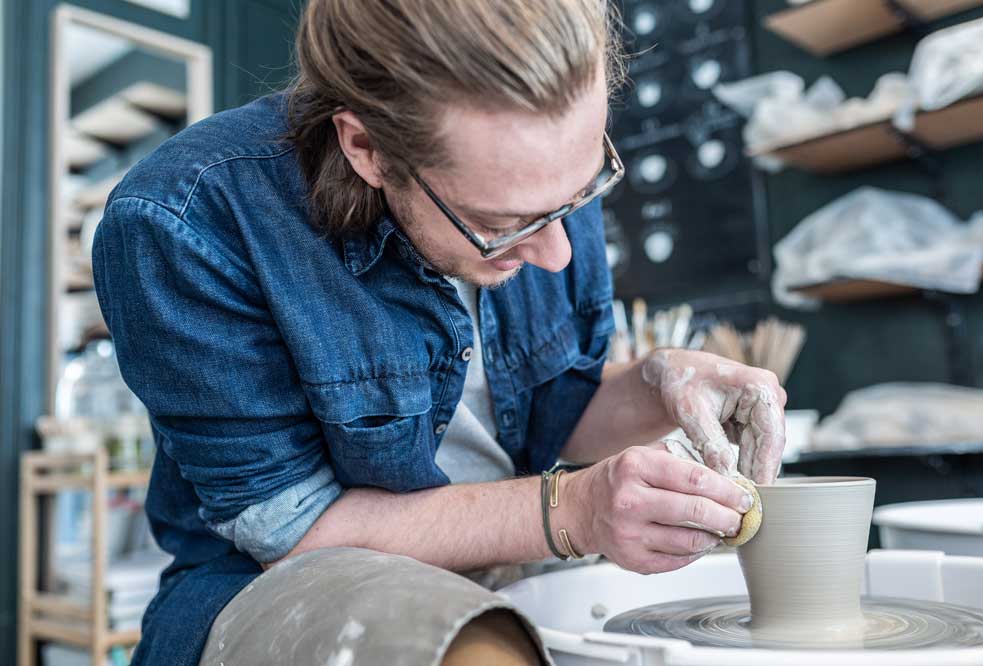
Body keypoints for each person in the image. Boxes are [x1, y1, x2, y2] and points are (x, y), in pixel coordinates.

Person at [92, 1, 787, 664]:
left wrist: (657, 383)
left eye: (578, 197)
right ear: (365, 147)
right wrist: (571, 511)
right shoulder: (185, 221)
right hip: (289, 588)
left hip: (518, 563)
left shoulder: (535, 176)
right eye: (505, 223)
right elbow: (296, 532)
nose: (560, 255)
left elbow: (559, 413)